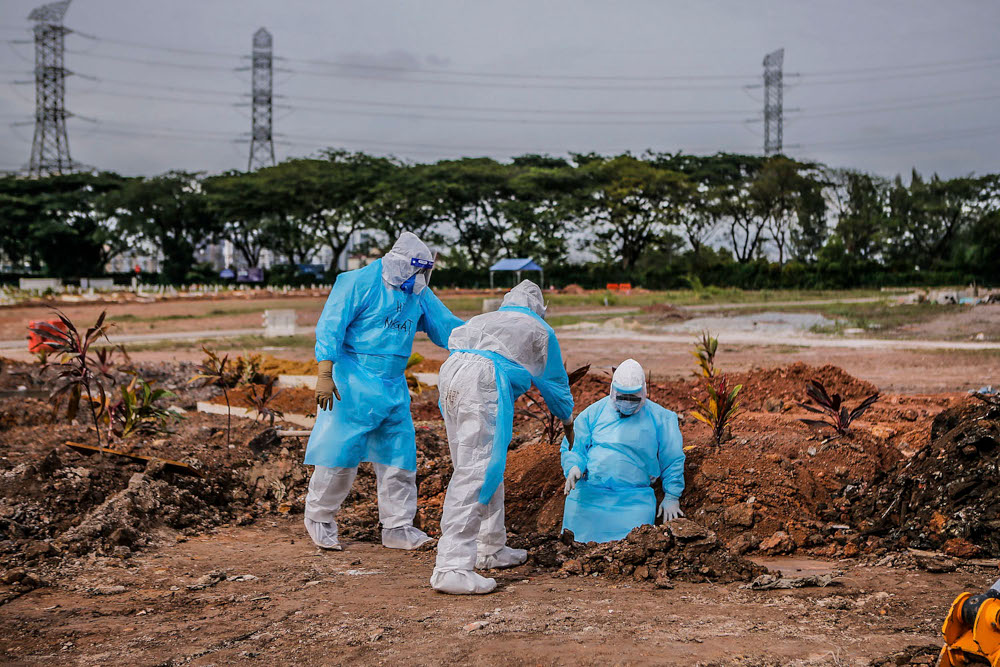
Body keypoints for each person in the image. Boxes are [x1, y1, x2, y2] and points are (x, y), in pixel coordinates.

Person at [302, 232, 463, 552]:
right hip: (351, 383)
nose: (420, 278)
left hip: (392, 386)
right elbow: (331, 325)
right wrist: (324, 371)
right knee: (339, 456)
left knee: (398, 458)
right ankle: (319, 517)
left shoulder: (417, 292)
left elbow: (448, 327)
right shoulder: (356, 282)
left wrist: (484, 342)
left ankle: (398, 526)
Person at [431, 280, 574, 595]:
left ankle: (490, 546)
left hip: (451, 374)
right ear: (539, 307)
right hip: (481, 381)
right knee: (477, 470)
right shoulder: (537, 329)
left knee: (480, 465)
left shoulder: (487, 319)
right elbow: (553, 380)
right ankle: (451, 566)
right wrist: (567, 418)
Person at [560, 358, 684, 544]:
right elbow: (574, 445)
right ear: (612, 390)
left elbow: (672, 457)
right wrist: (573, 466)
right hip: (589, 496)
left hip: (634, 501)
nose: (627, 403)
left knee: (631, 545)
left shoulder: (661, 418)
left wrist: (672, 495)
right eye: (622, 396)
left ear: (643, 391)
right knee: (574, 543)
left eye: (633, 398)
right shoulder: (594, 413)